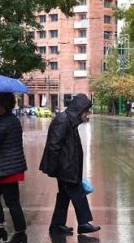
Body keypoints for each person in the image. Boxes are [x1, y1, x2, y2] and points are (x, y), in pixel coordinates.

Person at [39, 94, 101, 235]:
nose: (87, 115)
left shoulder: (70, 121)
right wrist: (55, 170)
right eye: (86, 112)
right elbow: (54, 146)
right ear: (80, 110)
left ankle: (57, 225)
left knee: (65, 195)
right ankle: (83, 223)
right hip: (64, 168)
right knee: (77, 192)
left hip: (67, 167)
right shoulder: (63, 120)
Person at [0, 93, 29, 243]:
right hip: (5, 167)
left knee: (12, 201)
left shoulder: (6, 121)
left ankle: (20, 233)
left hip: (7, 168)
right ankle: (0, 229)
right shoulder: (7, 120)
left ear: (2, 105)